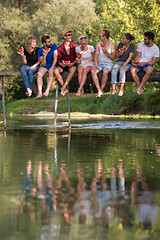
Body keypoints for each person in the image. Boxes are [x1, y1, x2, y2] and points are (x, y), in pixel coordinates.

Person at [91, 29, 116, 97]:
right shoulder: (98, 44)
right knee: (93, 71)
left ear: (105, 37)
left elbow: (113, 58)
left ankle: (101, 90)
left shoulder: (112, 44)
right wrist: (95, 64)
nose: (99, 37)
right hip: (99, 63)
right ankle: (99, 90)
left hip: (109, 64)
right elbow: (96, 54)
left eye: (100, 36)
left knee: (105, 71)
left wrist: (106, 53)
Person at [54, 30, 77, 96]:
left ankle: (64, 87)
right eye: (69, 35)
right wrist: (62, 64)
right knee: (56, 71)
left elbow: (78, 57)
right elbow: (59, 60)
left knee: (73, 69)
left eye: (71, 35)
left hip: (72, 65)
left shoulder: (74, 46)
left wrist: (72, 63)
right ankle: (64, 87)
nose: (70, 36)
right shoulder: (60, 48)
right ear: (64, 37)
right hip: (63, 66)